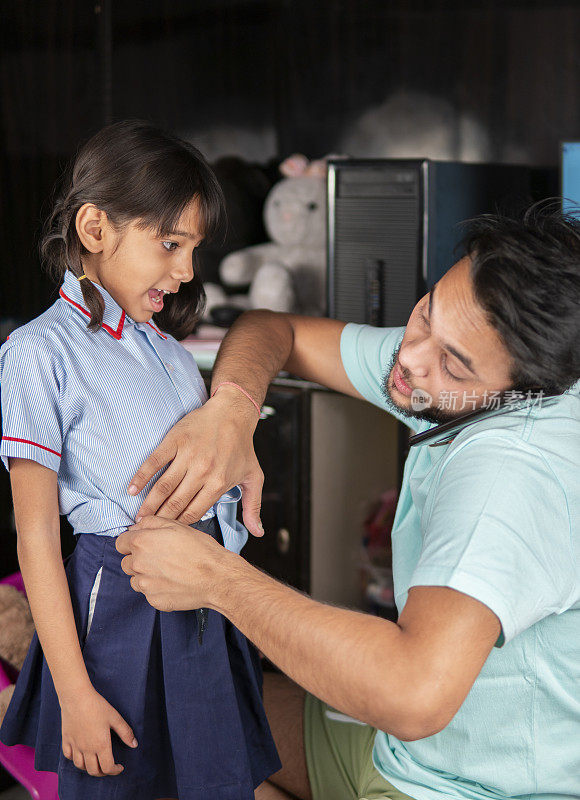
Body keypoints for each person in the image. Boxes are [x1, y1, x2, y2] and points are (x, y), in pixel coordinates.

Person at [116, 203, 580, 800]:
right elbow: (272, 329)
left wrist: (216, 580)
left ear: (520, 391)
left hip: (468, 787)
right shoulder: (463, 369)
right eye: (424, 315)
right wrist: (232, 410)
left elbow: (414, 695)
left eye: (451, 365)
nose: (410, 359)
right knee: (178, 708)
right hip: (405, 749)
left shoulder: (512, 474)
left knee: (174, 773)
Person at [0, 120, 280, 800]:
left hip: (206, 596)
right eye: (170, 244)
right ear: (96, 229)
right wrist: (74, 694)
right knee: (121, 781)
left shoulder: (169, 349)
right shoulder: (40, 354)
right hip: (120, 604)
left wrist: (239, 463)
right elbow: (36, 534)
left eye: (192, 249)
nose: (186, 271)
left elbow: (210, 450)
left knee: (217, 782)